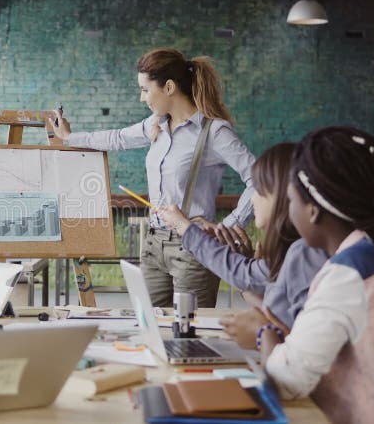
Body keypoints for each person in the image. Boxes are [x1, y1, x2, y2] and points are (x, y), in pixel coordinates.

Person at [50, 48, 256, 308]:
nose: (141, 97)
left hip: (193, 248)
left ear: (168, 87)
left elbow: (260, 180)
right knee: (149, 327)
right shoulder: (155, 124)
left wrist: (228, 226)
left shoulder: (214, 132)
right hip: (153, 244)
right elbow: (119, 138)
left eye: (145, 89)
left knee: (187, 334)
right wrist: (70, 138)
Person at [259, 127, 374, 423]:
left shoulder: (349, 272)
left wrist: (266, 338)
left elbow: (286, 379)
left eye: (290, 200)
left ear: (312, 210)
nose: (288, 211)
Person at [157, 143, 327, 348]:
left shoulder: (305, 253)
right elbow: (272, 309)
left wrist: (183, 226)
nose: (252, 199)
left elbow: (242, 273)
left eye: (259, 190)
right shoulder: (296, 252)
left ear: (285, 196)